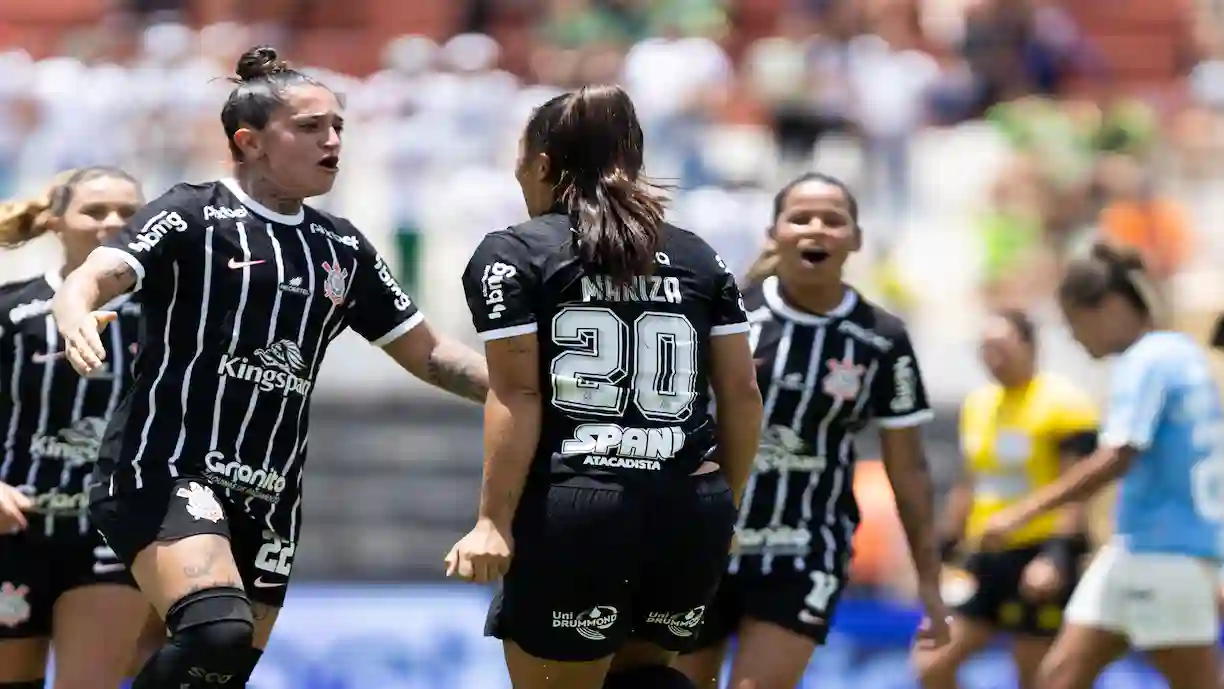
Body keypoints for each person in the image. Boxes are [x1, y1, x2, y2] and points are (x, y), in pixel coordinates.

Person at [49, 46, 489, 688]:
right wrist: (76, 312)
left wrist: (535, 392)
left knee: (216, 672)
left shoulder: (341, 247)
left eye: (338, 126)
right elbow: (96, 275)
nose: (333, 140)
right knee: (215, 631)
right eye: (311, 128)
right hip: (166, 468)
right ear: (250, 142)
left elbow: (431, 355)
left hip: (272, 493)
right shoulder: (194, 212)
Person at [447, 84, 764, 689]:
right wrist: (729, 503)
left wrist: (492, 520)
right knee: (646, 681)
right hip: (691, 509)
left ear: (541, 162)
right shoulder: (701, 257)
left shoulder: (513, 253)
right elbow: (743, 394)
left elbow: (518, 395)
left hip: (579, 509)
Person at [675, 172, 950, 689]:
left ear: (857, 240)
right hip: (704, 542)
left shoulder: (881, 338)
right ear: (774, 233)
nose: (815, 229)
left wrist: (929, 579)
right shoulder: (727, 317)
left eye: (833, 220)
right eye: (800, 218)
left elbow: (907, 466)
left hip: (803, 549)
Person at [980, 242, 1224, 689]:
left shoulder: (1146, 359)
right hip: (1134, 550)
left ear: (1109, 307)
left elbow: (1117, 457)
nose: (1073, 338)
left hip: (1165, 556)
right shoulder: (1182, 355)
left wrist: (1023, 513)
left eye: (1075, 322)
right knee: (1057, 678)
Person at [0, 167, 153, 689]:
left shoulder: (170, 316)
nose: (113, 222)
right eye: (95, 210)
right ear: (55, 222)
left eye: (129, 213)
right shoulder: (10, 311)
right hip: (11, 531)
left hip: (108, 535)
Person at [912, 309, 1099, 689]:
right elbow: (972, 480)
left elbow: (1079, 489)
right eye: (984, 348)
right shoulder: (979, 405)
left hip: (1039, 556)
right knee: (931, 663)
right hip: (986, 554)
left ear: (1030, 346)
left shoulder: (1064, 403)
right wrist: (946, 545)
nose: (991, 357)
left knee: (1035, 676)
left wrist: (1058, 555)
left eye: (1001, 346)